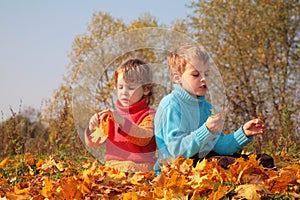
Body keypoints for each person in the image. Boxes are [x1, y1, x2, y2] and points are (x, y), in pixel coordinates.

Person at [154, 43, 273, 175]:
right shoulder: (171, 105)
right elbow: (176, 151)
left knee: (263, 161)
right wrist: (206, 130)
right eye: (195, 75)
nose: (203, 79)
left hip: (206, 160)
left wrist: (243, 134)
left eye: (207, 74)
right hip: (177, 169)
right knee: (223, 164)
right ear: (177, 78)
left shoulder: (207, 108)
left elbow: (218, 146)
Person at [85, 58, 156, 172]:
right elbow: (94, 143)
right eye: (120, 87)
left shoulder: (149, 115)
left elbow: (144, 137)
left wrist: (122, 122)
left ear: (146, 89)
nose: (124, 92)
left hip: (141, 167)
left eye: (131, 88)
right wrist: (92, 127)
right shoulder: (111, 116)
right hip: (114, 167)